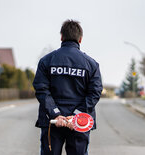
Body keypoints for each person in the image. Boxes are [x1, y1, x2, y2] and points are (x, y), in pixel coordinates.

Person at [33, 19, 103, 155]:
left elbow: (41, 90)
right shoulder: (91, 64)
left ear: (61, 37)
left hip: (52, 121)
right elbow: (94, 92)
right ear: (80, 39)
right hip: (80, 122)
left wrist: (56, 114)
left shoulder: (46, 61)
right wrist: (76, 115)